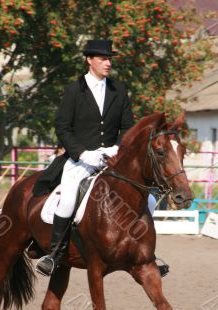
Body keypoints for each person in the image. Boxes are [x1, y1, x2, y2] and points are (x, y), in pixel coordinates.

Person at [36, 39, 169, 278]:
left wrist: (116, 149)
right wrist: (82, 152)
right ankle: (54, 254)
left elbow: (128, 127)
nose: (108, 63)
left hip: (112, 159)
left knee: (147, 200)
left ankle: (148, 253)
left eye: (110, 59)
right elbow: (63, 127)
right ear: (89, 60)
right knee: (68, 197)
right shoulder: (73, 90)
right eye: (103, 59)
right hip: (81, 159)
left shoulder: (119, 89)